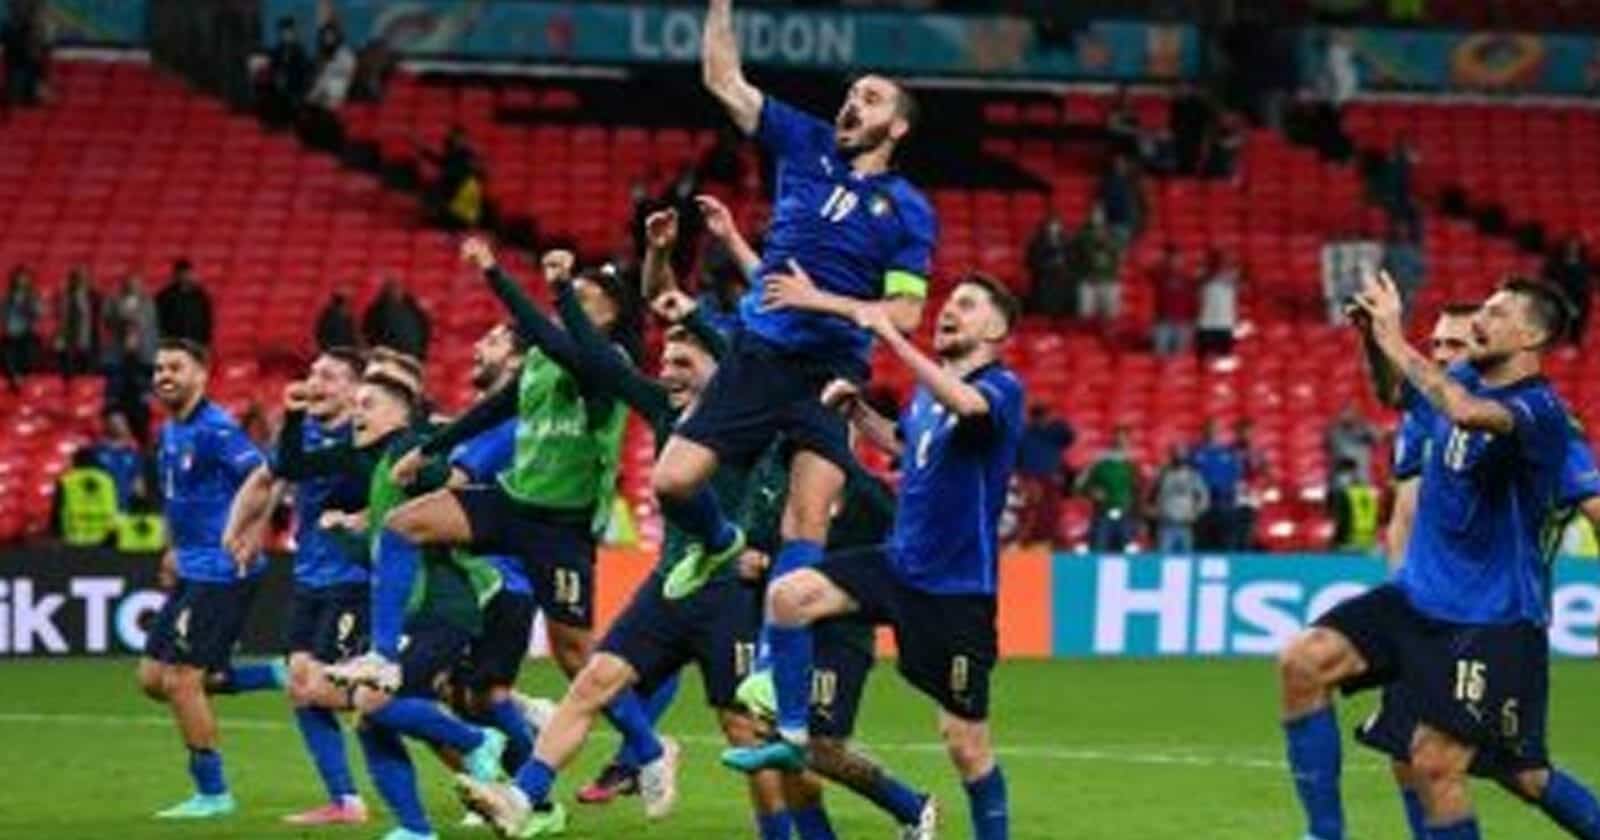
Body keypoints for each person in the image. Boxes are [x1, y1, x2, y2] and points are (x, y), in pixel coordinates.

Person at [647, 0, 934, 739]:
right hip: (759, 356)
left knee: (806, 521)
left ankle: (774, 672)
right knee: (672, 483)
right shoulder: (804, 142)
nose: (853, 102)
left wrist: (821, 300)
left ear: (898, 127)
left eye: (872, 97)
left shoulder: (907, 210)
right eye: (852, 92)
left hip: (830, 372)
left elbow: (905, 315)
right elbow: (723, 78)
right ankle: (718, 543)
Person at [346, 240, 674, 826]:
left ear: (614, 316)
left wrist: (501, 274)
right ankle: (382, 657)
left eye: (588, 299)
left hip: (562, 529)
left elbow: (562, 340)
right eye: (574, 295)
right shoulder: (542, 361)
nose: (573, 304)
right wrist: (431, 448)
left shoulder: (610, 362)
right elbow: (494, 410)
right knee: (402, 525)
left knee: (578, 658)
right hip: (514, 502)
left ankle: (651, 750)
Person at [1279, 273, 1600, 840]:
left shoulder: (1542, 413)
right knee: (1304, 662)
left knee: (1472, 767)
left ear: (1531, 337)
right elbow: (1396, 395)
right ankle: (1324, 835)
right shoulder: (1459, 381)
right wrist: (1371, 340)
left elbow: (1466, 413)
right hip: (1417, 600)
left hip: (1491, 621)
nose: (1481, 322)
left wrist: (1393, 336)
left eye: (1496, 314)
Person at [718, 275, 1021, 840]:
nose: (949, 310)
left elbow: (969, 406)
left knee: (965, 745)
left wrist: (892, 336)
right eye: (949, 302)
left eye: (966, 304)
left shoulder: (1001, 387)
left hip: (954, 593)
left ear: (996, 328)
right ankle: (793, 737)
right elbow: (906, 445)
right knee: (789, 596)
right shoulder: (928, 397)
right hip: (899, 564)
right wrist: (858, 412)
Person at [275, 366, 510, 840]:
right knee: (370, 716)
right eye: (355, 405)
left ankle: (479, 739)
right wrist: (346, 534)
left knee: (376, 704)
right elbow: (293, 467)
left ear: (402, 416)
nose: (356, 414)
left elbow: (454, 481)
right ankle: (415, 828)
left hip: (442, 604)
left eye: (368, 405)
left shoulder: (407, 450)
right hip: (406, 608)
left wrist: (435, 460)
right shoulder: (373, 460)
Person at [220, 348, 371, 826]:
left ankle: (461, 730)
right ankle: (345, 801)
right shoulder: (302, 432)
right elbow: (270, 478)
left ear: (355, 389)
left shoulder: (368, 437)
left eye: (329, 376)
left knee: (325, 690)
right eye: (313, 373)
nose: (315, 382)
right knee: (302, 690)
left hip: (356, 580)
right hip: (309, 578)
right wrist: (241, 529)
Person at [135, 339, 283, 820]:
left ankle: (213, 792)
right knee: (152, 679)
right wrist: (172, 547)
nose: (164, 376)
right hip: (191, 565)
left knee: (181, 681)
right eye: (159, 368)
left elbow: (264, 479)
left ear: (201, 374)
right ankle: (279, 674)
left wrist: (253, 533)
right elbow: (178, 498)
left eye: (175, 367)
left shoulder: (217, 430)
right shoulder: (171, 430)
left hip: (222, 570)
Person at [103, 272, 160, 440]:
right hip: (120, 357)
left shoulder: (147, 303)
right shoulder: (113, 302)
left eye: (135, 283)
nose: (132, 286)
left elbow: (150, 325)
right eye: (129, 283)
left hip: (142, 357)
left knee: (141, 403)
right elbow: (107, 322)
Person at [1015, 404, 1074, 546]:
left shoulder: (1054, 432)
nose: (1043, 420)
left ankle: (1047, 541)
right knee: (1032, 513)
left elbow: (1069, 436)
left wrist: (1057, 421)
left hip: (1049, 479)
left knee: (1050, 513)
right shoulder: (1024, 433)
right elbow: (1015, 458)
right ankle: (1028, 542)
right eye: (1041, 416)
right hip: (1032, 479)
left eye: (1044, 416)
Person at [1078, 425, 1140, 553]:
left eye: (1124, 438)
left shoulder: (1133, 463)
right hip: (1103, 515)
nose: (1120, 441)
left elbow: (1140, 489)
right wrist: (1091, 491)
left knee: (1127, 553)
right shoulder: (1099, 461)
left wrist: (1139, 515)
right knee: (1099, 550)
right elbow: (1081, 485)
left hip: (1125, 515)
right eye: (1117, 437)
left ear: (1128, 440)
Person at [1190, 419, 1244, 551]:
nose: (1212, 432)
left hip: (1223, 502)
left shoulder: (1228, 453)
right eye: (1209, 429)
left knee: (1225, 541)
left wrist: (1228, 492)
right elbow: (1191, 476)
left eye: (1214, 430)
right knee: (1203, 542)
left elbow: (1235, 475)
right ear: (1204, 432)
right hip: (1202, 503)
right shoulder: (1196, 452)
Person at [1150, 444, 1209, 554]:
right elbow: (1152, 495)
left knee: (1186, 559)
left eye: (1182, 455)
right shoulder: (1163, 474)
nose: (1179, 458)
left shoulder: (1193, 476)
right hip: (1167, 523)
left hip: (1185, 524)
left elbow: (1204, 497)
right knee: (1164, 557)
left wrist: (1196, 512)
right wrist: (1156, 510)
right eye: (1177, 455)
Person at [85, 410, 148, 509]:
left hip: (124, 506)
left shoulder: (132, 452)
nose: (118, 426)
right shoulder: (96, 450)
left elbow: (138, 482)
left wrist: (140, 500)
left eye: (121, 423)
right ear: (107, 425)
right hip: (101, 505)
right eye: (113, 423)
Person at [1072, 208, 1121, 324]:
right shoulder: (1082, 236)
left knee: (1109, 317)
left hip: (1107, 281)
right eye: (1095, 215)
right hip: (1088, 281)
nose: (1097, 218)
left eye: (1100, 215)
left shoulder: (1111, 236)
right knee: (1086, 316)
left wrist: (1107, 244)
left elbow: (1116, 259)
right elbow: (1076, 258)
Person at [362, 277, 431, 360]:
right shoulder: (376, 311)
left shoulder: (415, 311)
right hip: (387, 354)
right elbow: (368, 332)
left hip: (408, 354)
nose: (396, 293)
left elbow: (424, 331)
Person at [259, 16, 310, 126]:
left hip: (294, 90)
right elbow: (271, 68)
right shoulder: (277, 50)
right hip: (277, 90)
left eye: (289, 32)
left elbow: (304, 73)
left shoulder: (299, 51)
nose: (286, 35)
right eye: (284, 32)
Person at [1543, 234, 1592, 344]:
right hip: (1554, 302)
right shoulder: (1554, 265)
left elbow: (1583, 290)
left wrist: (1574, 306)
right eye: (1569, 247)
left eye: (1574, 247)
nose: (1572, 250)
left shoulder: (1583, 268)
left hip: (1575, 304)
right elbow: (1549, 284)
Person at [1024, 213, 1074, 319]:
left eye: (1056, 224)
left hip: (1061, 279)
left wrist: (1063, 264)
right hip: (1044, 279)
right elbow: (1030, 261)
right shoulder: (1037, 241)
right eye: (1051, 225)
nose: (1054, 227)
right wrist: (1049, 263)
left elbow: (1071, 259)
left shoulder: (1065, 241)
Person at [155, 259, 213, 346]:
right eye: (182, 274)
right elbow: (157, 321)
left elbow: (207, 322)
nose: (185, 277)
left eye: (187, 274)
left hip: (195, 344)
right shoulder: (165, 296)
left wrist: (206, 343)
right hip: (172, 345)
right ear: (175, 275)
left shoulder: (200, 297)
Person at [56, 266, 100, 379]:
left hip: (89, 338)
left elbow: (97, 316)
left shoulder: (94, 296)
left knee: (88, 372)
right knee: (70, 370)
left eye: (84, 278)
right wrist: (61, 335)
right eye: (78, 278)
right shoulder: (67, 297)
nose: (81, 281)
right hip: (71, 338)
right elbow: (63, 317)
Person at [3, 264, 42, 390]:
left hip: (26, 334)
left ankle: (21, 379)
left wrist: (28, 305)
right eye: (19, 277)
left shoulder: (32, 297)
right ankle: (15, 379)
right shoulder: (7, 297)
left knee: (27, 356)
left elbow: (39, 313)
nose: (22, 280)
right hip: (10, 334)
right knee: (8, 356)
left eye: (24, 278)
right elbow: (4, 315)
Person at [1150, 244, 1193, 356]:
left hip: (1183, 323)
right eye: (1172, 259)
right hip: (1164, 322)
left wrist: (1190, 319)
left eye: (1178, 259)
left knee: (1180, 360)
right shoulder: (1161, 275)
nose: (1175, 262)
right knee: (1160, 357)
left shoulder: (1187, 279)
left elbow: (1192, 300)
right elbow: (1146, 269)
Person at [1325, 400, 1380, 485]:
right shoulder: (1336, 432)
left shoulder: (1365, 428)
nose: (1349, 415)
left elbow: (1378, 437)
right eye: (1346, 412)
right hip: (1343, 478)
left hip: (1360, 479)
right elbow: (1338, 452)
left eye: (1353, 412)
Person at [1196, 249, 1239, 356]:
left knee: (1223, 357)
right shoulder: (1204, 277)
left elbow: (1239, 282)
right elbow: (1199, 283)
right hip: (1207, 323)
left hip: (1225, 323)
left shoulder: (1232, 277)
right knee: (1205, 355)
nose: (1223, 266)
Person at [1382, 220, 1425, 317]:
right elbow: (1384, 269)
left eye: (1404, 230)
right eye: (1399, 230)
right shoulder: (1390, 251)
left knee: (1408, 306)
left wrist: (1415, 284)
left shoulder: (1414, 251)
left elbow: (1421, 271)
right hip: (1394, 286)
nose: (1402, 232)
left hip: (1409, 286)